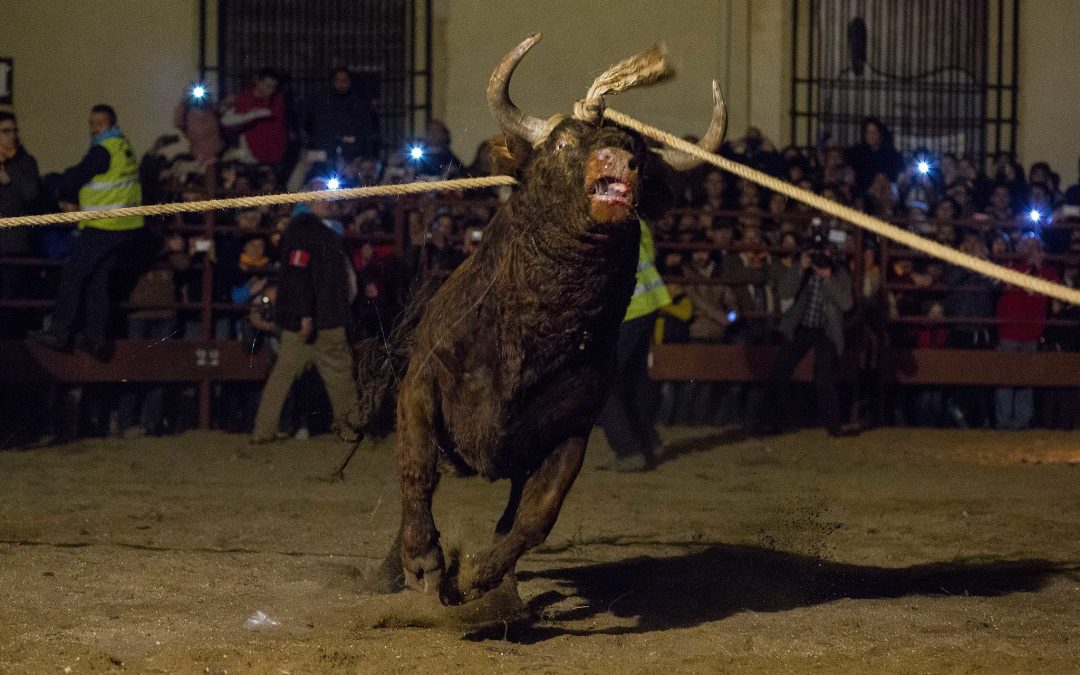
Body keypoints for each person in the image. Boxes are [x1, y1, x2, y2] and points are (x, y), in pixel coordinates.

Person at [251, 179, 360, 443]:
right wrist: (305, 314)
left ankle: (263, 431)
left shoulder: (311, 230)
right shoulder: (308, 231)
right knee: (339, 378)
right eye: (322, 196)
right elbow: (298, 275)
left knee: (285, 376)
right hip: (322, 318)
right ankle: (351, 430)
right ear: (308, 199)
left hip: (318, 318)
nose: (329, 201)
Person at [31, 104, 144, 358]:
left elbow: (78, 175)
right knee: (97, 278)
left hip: (104, 224)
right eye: (91, 123)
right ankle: (95, 338)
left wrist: (53, 182)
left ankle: (59, 332)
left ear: (111, 125)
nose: (94, 129)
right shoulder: (123, 146)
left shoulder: (103, 149)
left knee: (73, 272)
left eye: (99, 124)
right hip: (125, 225)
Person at [757, 232, 854, 436]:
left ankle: (834, 427)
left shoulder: (839, 272)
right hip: (800, 327)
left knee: (824, 376)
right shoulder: (801, 269)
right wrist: (800, 268)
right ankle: (769, 422)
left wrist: (828, 278)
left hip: (826, 330)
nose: (820, 256)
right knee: (780, 371)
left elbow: (846, 304)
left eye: (824, 251)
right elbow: (784, 292)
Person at [597, 219, 671, 472]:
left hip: (629, 308)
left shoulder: (605, 222)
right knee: (629, 381)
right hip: (647, 302)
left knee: (603, 383)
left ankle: (628, 450)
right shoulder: (636, 220)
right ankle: (648, 443)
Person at [994, 233, 1059, 430]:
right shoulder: (1010, 267)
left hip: (1032, 333)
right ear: (1018, 248)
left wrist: (1038, 268)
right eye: (1026, 245)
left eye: (1035, 246)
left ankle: (1022, 422)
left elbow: (1055, 292)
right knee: (1005, 378)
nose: (1030, 250)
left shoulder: (1047, 272)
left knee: (1026, 380)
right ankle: (1004, 421)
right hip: (1009, 331)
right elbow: (1004, 285)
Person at [0, 111, 42, 337]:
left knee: (10, 308)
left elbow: (31, 194)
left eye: (14, 131)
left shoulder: (25, 162)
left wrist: (11, 170)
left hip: (14, 247)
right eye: (5, 131)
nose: (12, 136)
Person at [221, 68, 287, 167]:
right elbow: (233, 124)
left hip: (273, 152)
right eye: (267, 86)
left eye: (273, 87)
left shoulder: (277, 99)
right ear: (258, 82)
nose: (271, 90)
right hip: (254, 151)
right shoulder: (246, 98)